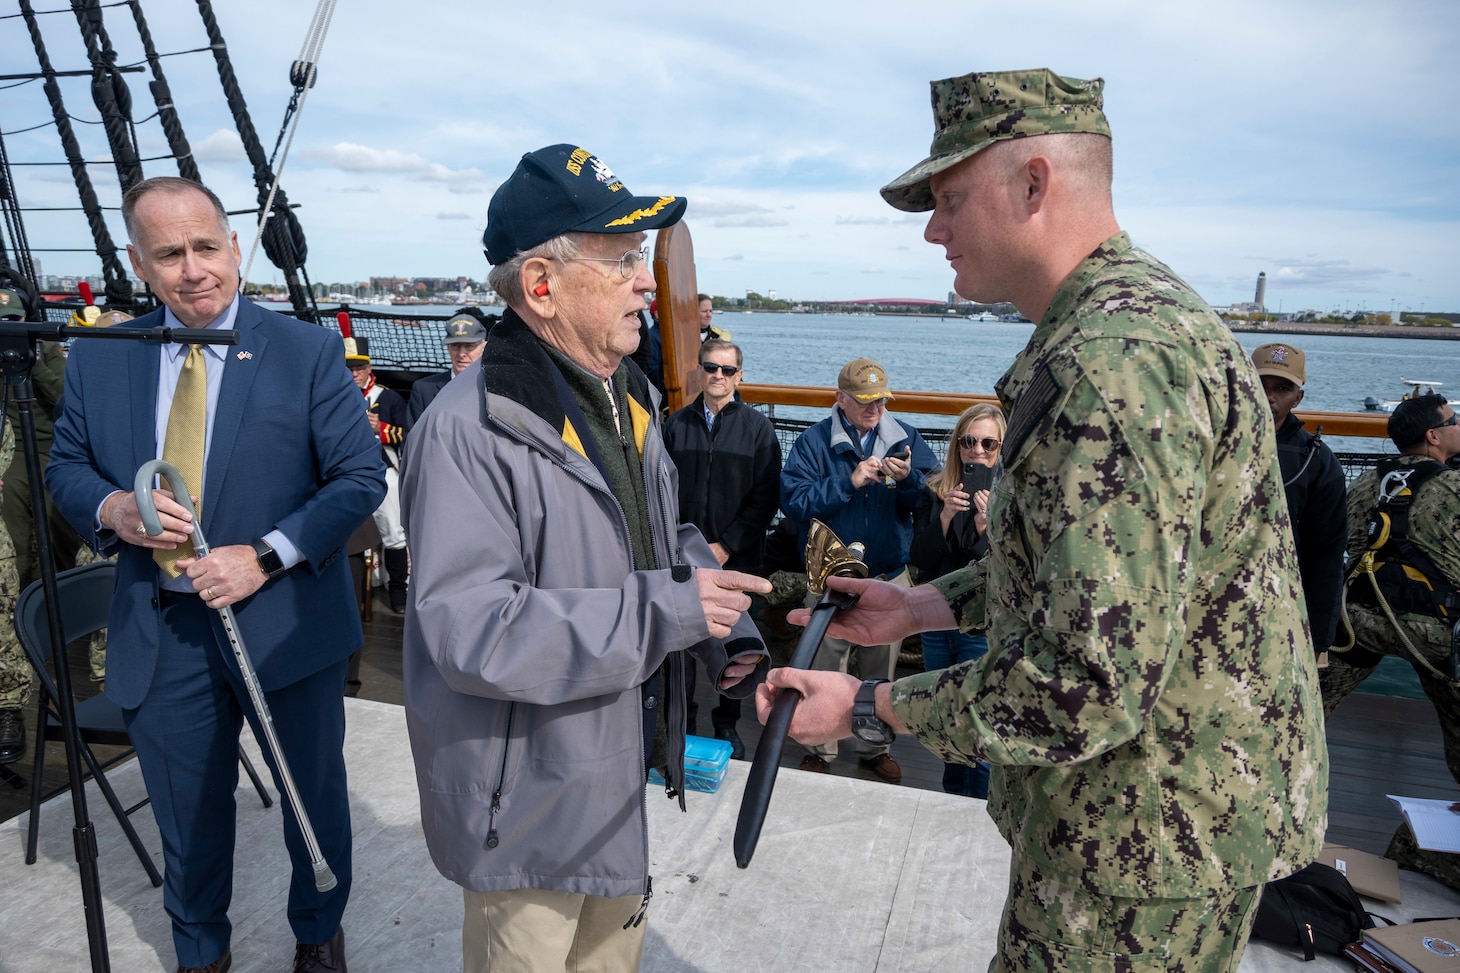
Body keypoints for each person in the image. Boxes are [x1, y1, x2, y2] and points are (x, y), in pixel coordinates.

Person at [758, 68, 1325, 973]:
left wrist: (872, 702)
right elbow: (1091, 573)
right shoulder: (1136, 318)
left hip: (1140, 841)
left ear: (1034, 184)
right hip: (1164, 818)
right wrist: (919, 609)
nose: (933, 229)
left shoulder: (1112, 360)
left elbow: (1086, 678)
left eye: (948, 197)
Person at [401, 143, 770, 973]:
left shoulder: (626, 392)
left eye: (639, 258)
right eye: (621, 261)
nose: (645, 281)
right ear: (541, 285)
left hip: (616, 775)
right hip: (527, 802)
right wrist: (669, 612)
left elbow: (661, 534)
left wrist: (725, 630)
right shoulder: (467, 428)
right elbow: (473, 628)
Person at [47, 175, 386, 973]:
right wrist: (110, 510)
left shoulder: (304, 350)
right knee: (187, 811)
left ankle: (317, 935)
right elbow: (65, 466)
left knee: (312, 799)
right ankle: (201, 951)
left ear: (235, 248)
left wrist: (263, 553)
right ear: (140, 261)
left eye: (206, 246)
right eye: (170, 254)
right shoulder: (100, 354)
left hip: (288, 623)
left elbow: (359, 477)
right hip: (163, 630)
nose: (193, 269)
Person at [779, 356, 937, 782]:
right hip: (829, 576)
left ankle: (875, 748)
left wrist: (908, 481)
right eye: (865, 401)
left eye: (881, 400)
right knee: (822, 666)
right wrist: (848, 483)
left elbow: (926, 504)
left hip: (887, 573)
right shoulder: (812, 442)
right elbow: (793, 502)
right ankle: (819, 747)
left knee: (881, 674)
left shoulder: (906, 439)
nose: (876, 409)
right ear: (840, 399)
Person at [1323, 395, 1460, 783]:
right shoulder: (1454, 487)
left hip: (1357, 618)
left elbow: (1344, 543)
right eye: (1456, 419)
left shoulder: (1368, 480)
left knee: (1309, 709)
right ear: (1434, 436)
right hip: (1435, 629)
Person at [663, 338, 782, 758]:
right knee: (683, 645)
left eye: (727, 370)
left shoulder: (758, 430)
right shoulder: (675, 426)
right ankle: (683, 722)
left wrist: (728, 545)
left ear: (740, 375)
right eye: (711, 368)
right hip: (683, 559)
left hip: (739, 556)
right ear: (701, 370)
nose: (718, 376)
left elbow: (767, 497)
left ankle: (727, 725)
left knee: (737, 644)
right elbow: (662, 491)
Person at [908, 403, 1004, 798]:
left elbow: (1000, 569)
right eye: (968, 441)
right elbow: (921, 559)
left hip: (980, 626)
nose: (977, 451)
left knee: (978, 715)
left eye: (988, 443)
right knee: (943, 711)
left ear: (1002, 448)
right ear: (957, 445)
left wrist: (986, 528)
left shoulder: (1010, 498)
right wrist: (945, 517)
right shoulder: (936, 491)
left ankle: (978, 802)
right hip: (937, 620)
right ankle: (953, 795)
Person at [1251, 342, 1348, 657]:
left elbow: (1327, 555)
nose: (1269, 396)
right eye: (1259, 384)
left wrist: (1318, 637)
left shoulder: (1318, 462)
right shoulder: (1206, 443)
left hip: (1279, 605)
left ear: (1298, 398)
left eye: (1282, 388)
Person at [345, 336, 411, 614]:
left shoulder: (387, 397)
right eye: (349, 368)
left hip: (383, 470)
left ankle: (398, 591)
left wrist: (381, 429)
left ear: (369, 367)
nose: (355, 373)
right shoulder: (333, 395)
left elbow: (408, 433)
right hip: (346, 472)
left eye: (359, 367)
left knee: (394, 529)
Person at [403, 308, 491, 430]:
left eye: (469, 346)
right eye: (455, 345)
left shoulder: (495, 389)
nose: (461, 353)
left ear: (484, 347)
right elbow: (410, 440)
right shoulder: (423, 390)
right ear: (448, 348)